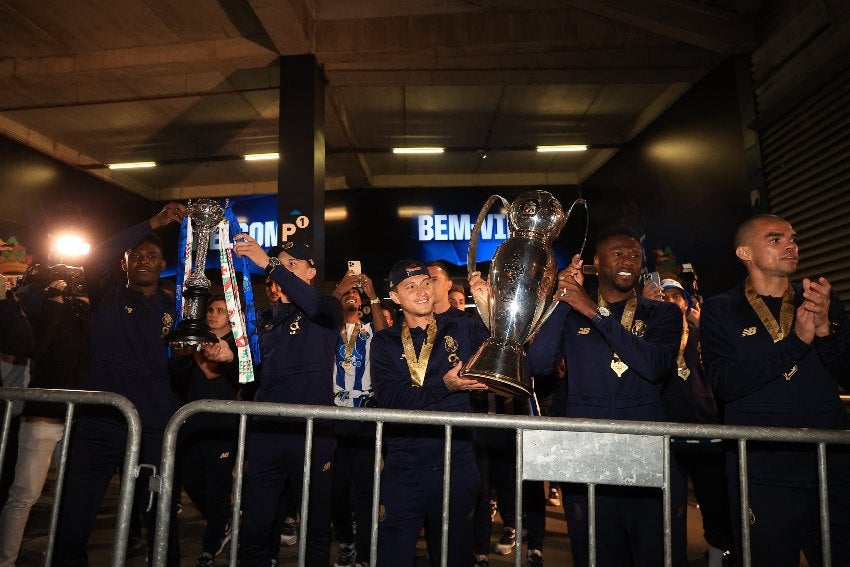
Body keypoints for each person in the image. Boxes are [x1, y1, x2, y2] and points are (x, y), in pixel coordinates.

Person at [526, 225, 682, 567]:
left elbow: (655, 366)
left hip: (646, 451)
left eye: (634, 256)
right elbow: (538, 364)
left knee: (655, 553)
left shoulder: (662, 313)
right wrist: (564, 300)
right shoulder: (571, 313)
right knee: (596, 554)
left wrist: (594, 312)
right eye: (617, 254)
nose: (628, 261)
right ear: (596, 263)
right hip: (588, 453)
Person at [700, 214, 850, 566]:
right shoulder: (721, 309)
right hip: (762, 470)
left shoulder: (819, 299)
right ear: (744, 252)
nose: (791, 244)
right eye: (775, 238)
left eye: (793, 238)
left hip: (829, 464)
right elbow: (725, 384)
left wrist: (827, 331)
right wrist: (796, 342)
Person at [53, 203, 187, 567]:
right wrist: (152, 223)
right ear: (124, 263)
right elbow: (96, 257)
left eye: (153, 255)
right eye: (136, 255)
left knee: (159, 519)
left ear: (163, 264)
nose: (143, 260)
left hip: (154, 426)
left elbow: (178, 368)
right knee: (73, 518)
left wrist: (183, 357)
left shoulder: (175, 308)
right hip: (100, 422)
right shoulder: (109, 295)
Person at [370, 259, 488, 567]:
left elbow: (509, 355)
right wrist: (445, 387)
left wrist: (490, 309)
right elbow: (391, 399)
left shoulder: (462, 327)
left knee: (455, 557)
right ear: (394, 297)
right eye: (410, 286)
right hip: (404, 468)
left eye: (426, 283)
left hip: (457, 466)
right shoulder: (384, 342)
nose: (422, 292)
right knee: (392, 557)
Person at [232, 236, 341, 567]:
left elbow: (317, 306)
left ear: (310, 272)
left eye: (292, 265)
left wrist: (269, 263)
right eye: (280, 265)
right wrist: (226, 355)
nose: (282, 273)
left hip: (312, 432)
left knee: (314, 524)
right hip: (268, 431)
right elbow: (250, 365)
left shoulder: (327, 308)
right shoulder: (265, 318)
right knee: (256, 522)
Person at [643, 277, 736, 566]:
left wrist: (705, 329)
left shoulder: (704, 332)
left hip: (708, 434)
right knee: (670, 509)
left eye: (677, 296)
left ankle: (718, 555)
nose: (671, 301)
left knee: (714, 503)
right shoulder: (652, 335)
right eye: (664, 296)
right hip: (667, 435)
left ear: (687, 302)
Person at [0, 277, 90, 567]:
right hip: (43, 413)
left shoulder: (92, 316)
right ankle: (6, 561)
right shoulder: (42, 308)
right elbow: (33, 347)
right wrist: (53, 305)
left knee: (72, 498)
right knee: (25, 494)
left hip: (82, 416)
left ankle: (60, 557)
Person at [169, 294, 240, 567]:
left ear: (230, 315)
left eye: (220, 310)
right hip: (193, 421)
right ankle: (222, 520)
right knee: (189, 478)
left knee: (218, 486)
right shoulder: (198, 339)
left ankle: (210, 546)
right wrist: (181, 353)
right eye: (210, 309)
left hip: (221, 425)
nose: (212, 314)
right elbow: (178, 375)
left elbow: (212, 372)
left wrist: (194, 345)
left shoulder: (235, 343)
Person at [329, 269, 387, 567]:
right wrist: (341, 287)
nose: (353, 294)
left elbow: (387, 336)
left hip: (364, 417)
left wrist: (372, 292)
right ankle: (346, 541)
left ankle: (364, 552)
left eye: (357, 293)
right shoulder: (327, 331)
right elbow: (321, 313)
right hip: (334, 417)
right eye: (348, 293)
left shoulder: (369, 332)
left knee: (363, 491)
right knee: (336, 490)